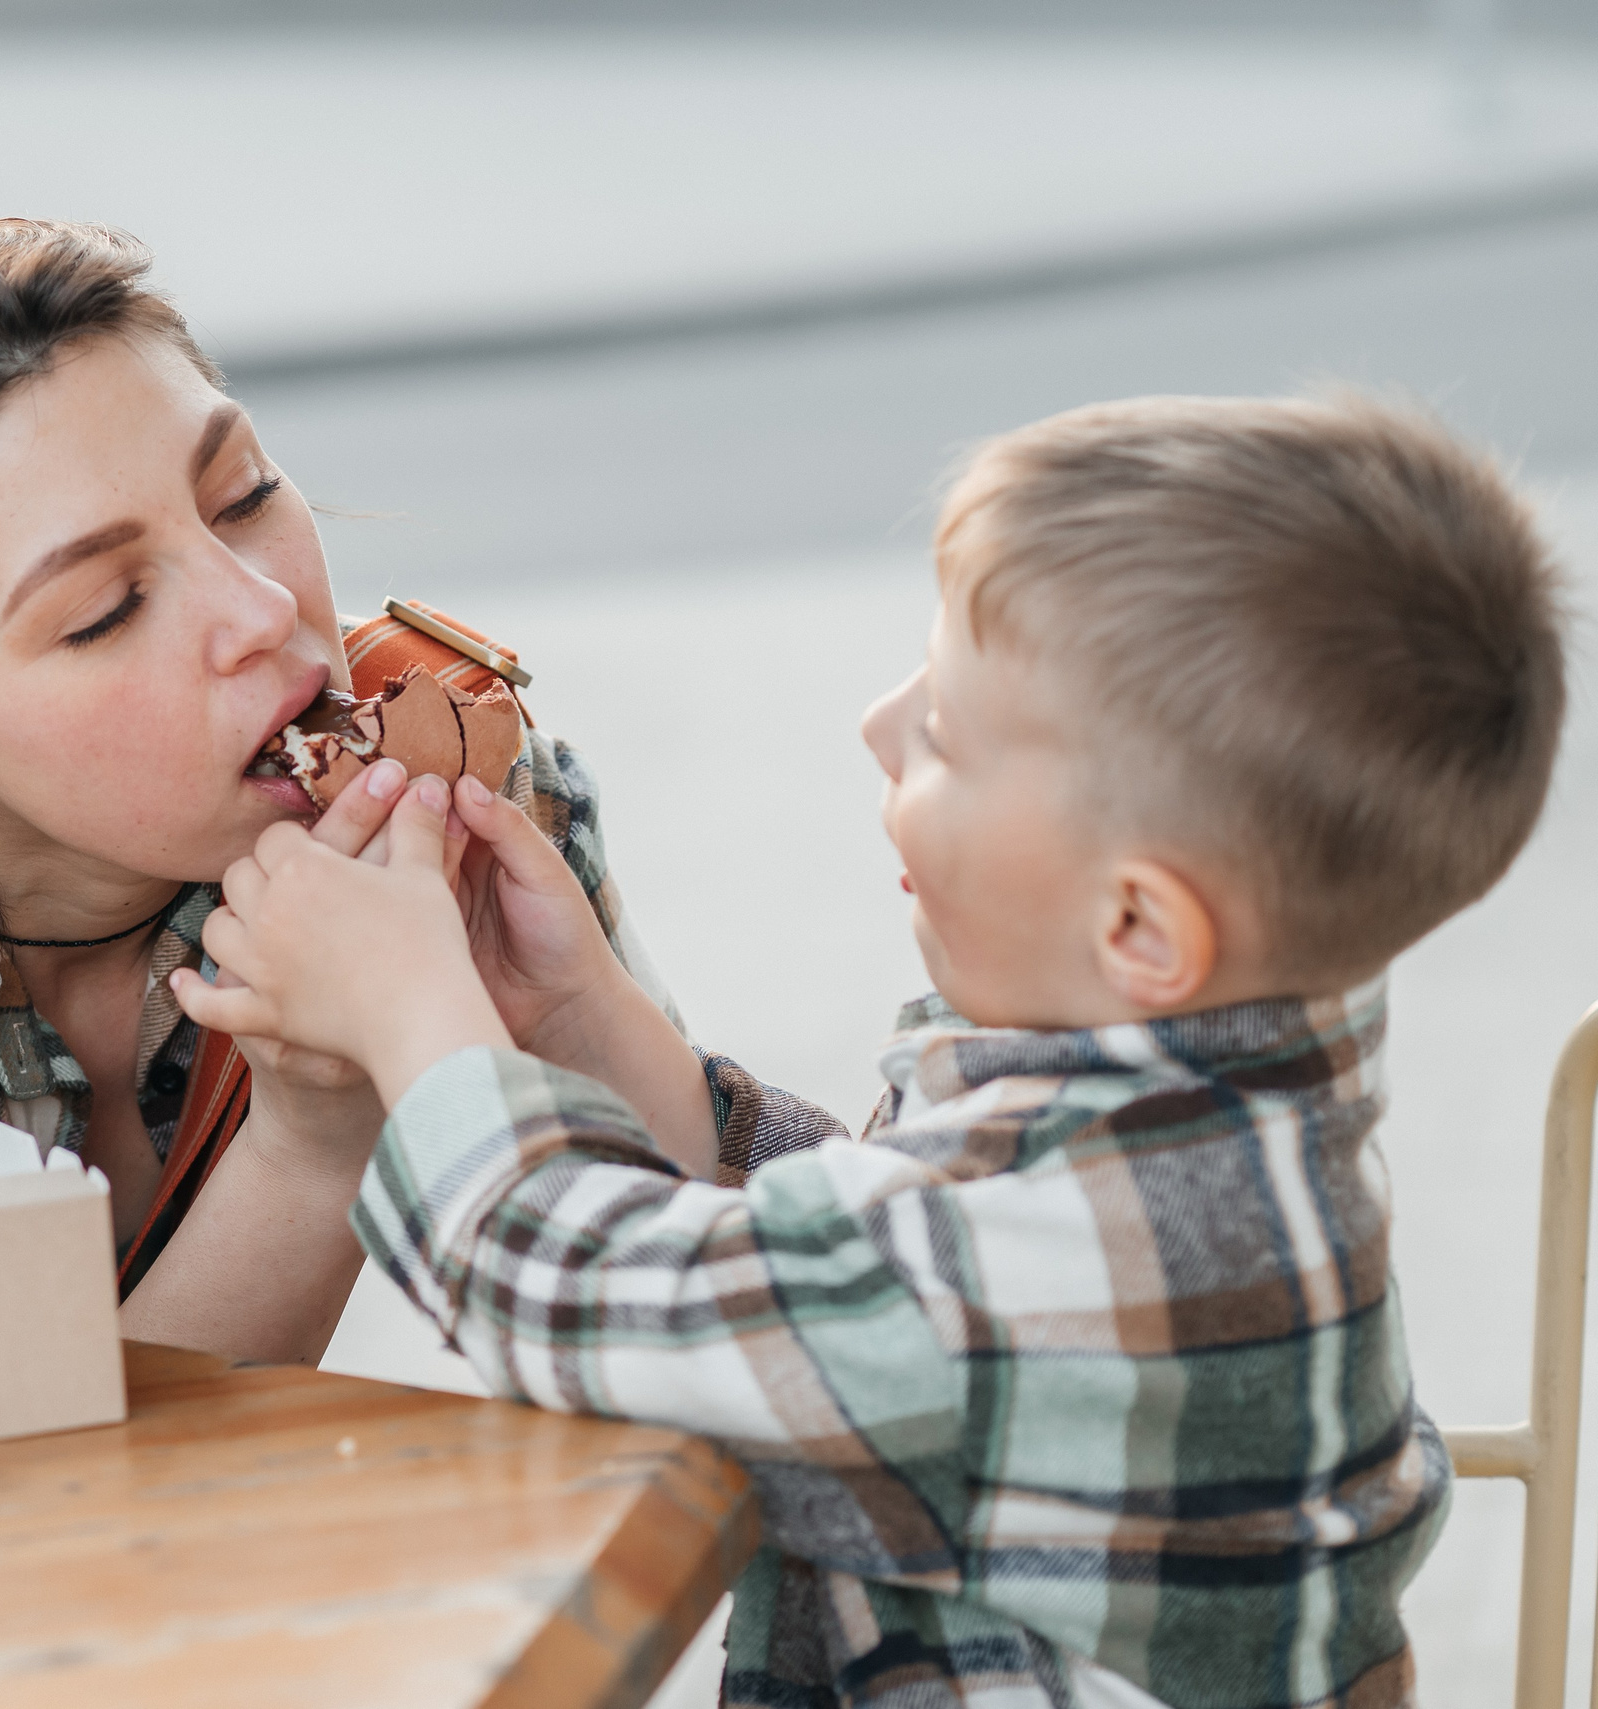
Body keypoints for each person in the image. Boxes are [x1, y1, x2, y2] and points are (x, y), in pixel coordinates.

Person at [172, 393, 1569, 1706]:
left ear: (1138, 920)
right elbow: (851, 1263)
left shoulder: (1117, 1242)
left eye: (948, 731)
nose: (875, 725)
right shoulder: (1194, 1109)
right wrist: (581, 1015)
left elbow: (606, 1313)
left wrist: (417, 1019)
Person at [0, 219, 834, 1361]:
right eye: (109, 607)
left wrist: (578, 1017)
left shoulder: (434, 750)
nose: (263, 610)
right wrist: (315, 1137)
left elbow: (779, 1322)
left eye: (240, 493)